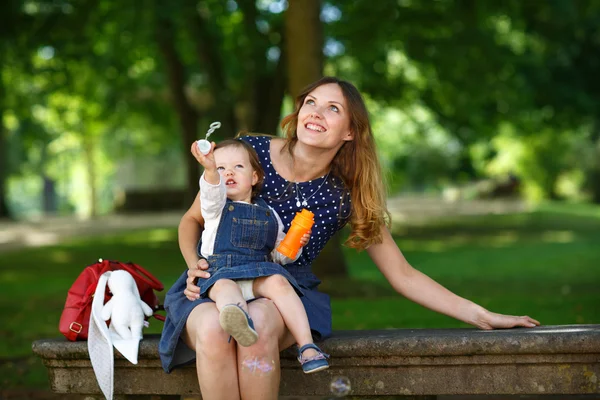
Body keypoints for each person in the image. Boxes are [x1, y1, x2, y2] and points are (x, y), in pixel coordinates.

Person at [159, 76, 540, 400]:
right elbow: (192, 220)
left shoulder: (345, 195)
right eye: (311, 102)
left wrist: (481, 315)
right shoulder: (249, 153)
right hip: (215, 281)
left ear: (350, 131)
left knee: (255, 325)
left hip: (280, 292)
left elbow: (403, 275)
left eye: (333, 109)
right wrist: (196, 266)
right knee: (213, 328)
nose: (316, 113)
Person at [187, 138, 328, 373]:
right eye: (221, 168)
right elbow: (211, 191)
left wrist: (295, 246)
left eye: (238, 167)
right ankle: (239, 319)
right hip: (221, 273)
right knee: (225, 289)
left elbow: (279, 255)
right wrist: (210, 170)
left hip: (258, 272)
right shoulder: (214, 207)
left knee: (280, 282)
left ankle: (307, 347)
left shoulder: (268, 213)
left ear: (254, 177)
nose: (228, 172)